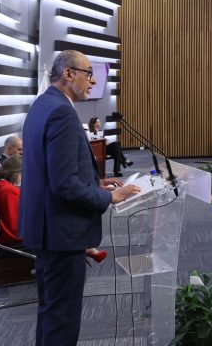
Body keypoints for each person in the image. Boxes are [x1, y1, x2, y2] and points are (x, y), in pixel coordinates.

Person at [19, 50, 140, 346]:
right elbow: (64, 186)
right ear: (68, 73)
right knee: (62, 320)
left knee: (50, 312)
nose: (93, 80)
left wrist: (96, 182)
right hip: (61, 234)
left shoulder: (42, 105)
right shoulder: (61, 111)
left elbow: (52, 172)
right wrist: (110, 198)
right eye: (88, 73)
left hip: (46, 230)